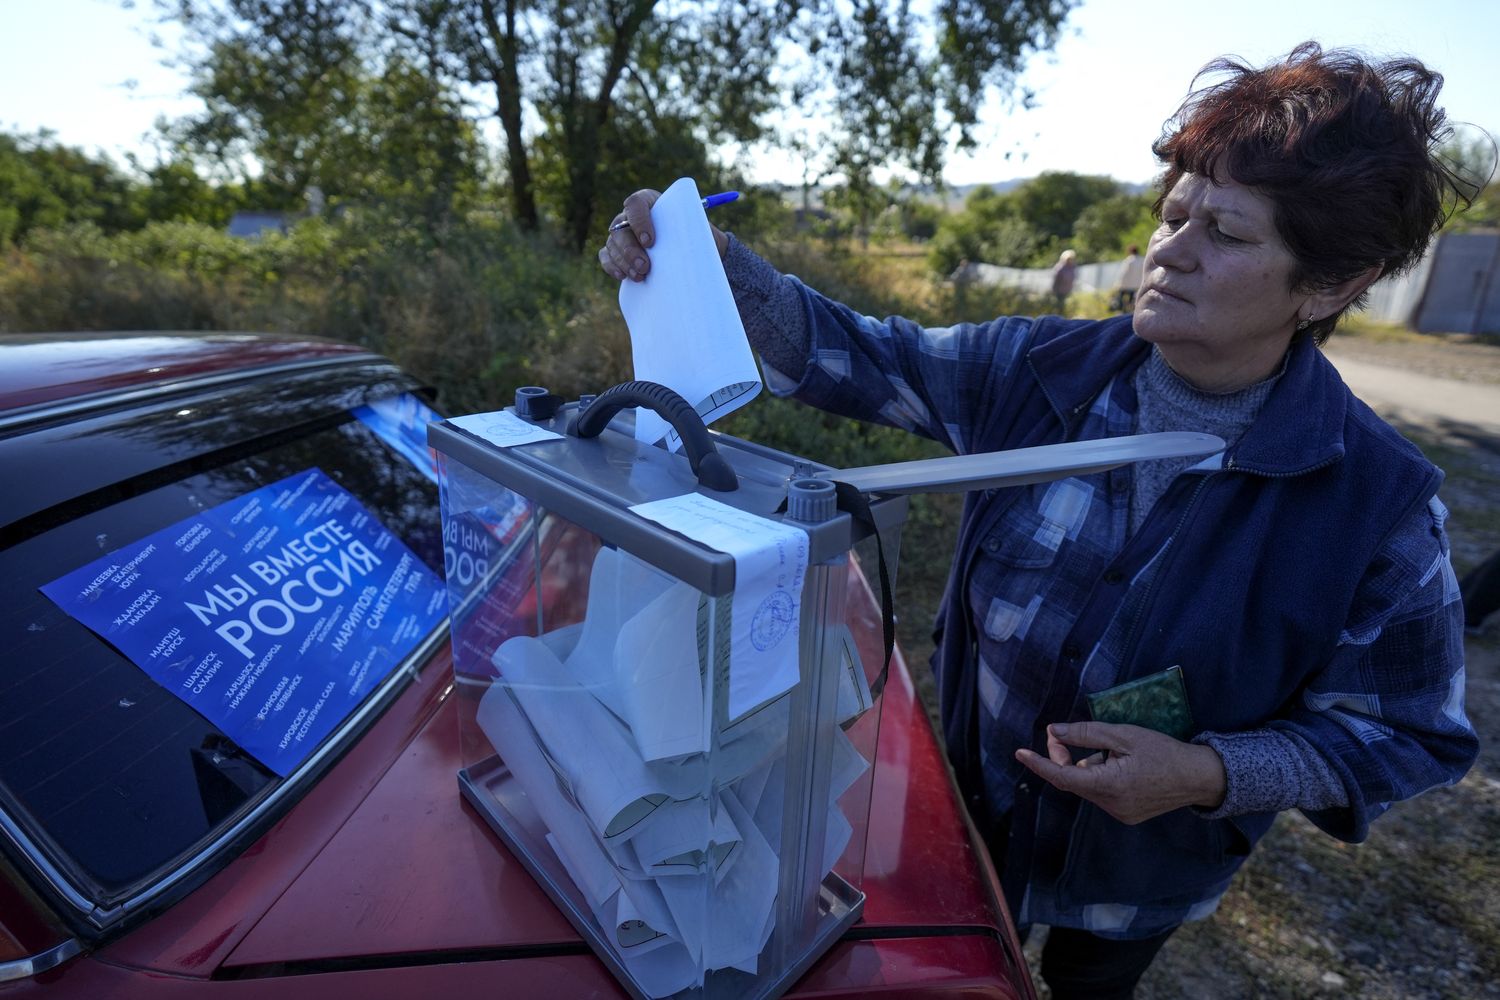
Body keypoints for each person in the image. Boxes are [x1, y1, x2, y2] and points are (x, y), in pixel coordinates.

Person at [599, 43, 1478, 999]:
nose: (1170, 250)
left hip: (1135, 884)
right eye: (1174, 213)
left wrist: (1205, 774)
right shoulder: (1037, 372)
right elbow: (853, 352)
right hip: (966, 818)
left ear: (1330, 286)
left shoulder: (1376, 509)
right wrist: (702, 263)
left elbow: (1412, 735)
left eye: (1225, 233)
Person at [1112, 244, 1144, 312]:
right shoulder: (1142, 260)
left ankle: (1123, 311)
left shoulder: (1129, 260)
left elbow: (1124, 273)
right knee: (1132, 301)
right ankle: (1131, 312)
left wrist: (1118, 284)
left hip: (1126, 285)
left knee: (1122, 300)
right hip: (1137, 285)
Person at [1051, 248, 1078, 312]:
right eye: (1069, 259)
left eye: (1071, 258)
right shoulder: (1060, 267)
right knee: (1059, 305)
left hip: (1067, 289)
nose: (1070, 260)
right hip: (1059, 290)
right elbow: (1056, 279)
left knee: (1064, 305)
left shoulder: (1072, 267)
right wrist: (1054, 289)